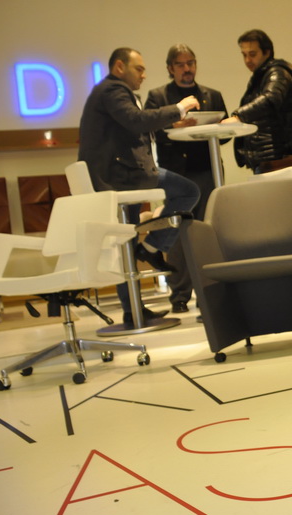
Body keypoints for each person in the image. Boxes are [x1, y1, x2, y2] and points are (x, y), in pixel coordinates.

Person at [78, 47, 201, 327]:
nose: (144, 75)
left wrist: (171, 120)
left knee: (127, 244)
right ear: (119, 67)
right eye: (139, 69)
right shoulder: (113, 90)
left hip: (122, 175)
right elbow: (135, 121)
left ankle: (133, 309)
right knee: (188, 191)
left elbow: (133, 125)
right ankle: (153, 248)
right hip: (123, 177)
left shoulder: (108, 91)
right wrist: (179, 107)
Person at [144, 44, 228, 314]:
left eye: (190, 62)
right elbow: (148, 130)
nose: (187, 68)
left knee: (208, 232)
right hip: (177, 174)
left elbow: (225, 134)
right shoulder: (158, 96)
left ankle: (209, 295)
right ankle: (179, 295)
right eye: (180, 64)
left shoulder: (213, 96)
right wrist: (173, 124)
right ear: (170, 68)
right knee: (178, 233)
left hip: (207, 170)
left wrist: (214, 127)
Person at [221, 29, 292, 173]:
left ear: (267, 52)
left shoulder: (277, 72)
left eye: (252, 54)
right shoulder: (262, 75)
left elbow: (270, 99)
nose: (247, 60)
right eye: (244, 55)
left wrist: (238, 117)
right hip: (268, 155)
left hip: (277, 156)